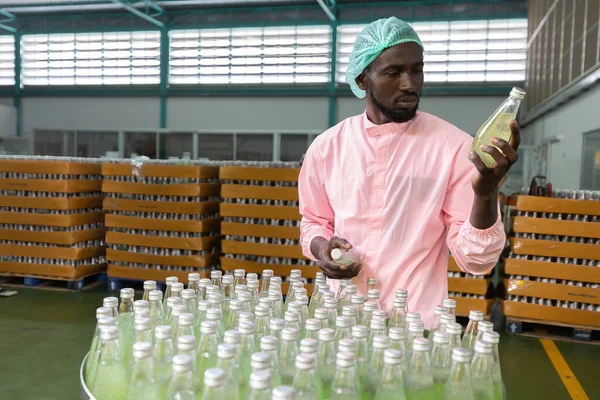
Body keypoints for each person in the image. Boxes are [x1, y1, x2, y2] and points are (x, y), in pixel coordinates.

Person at [298, 17, 519, 327]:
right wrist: (322, 249)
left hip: (416, 328)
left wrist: (485, 193)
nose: (410, 84)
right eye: (394, 72)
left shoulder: (453, 147)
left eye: (417, 70)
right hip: (342, 320)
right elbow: (314, 222)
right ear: (363, 80)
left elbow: (477, 260)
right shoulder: (327, 148)